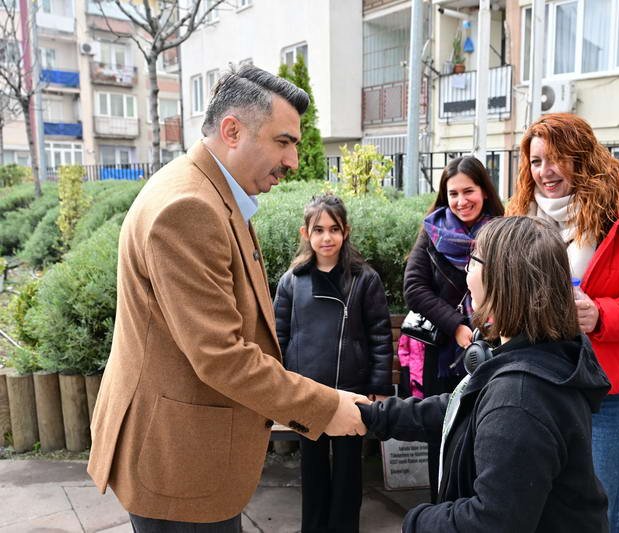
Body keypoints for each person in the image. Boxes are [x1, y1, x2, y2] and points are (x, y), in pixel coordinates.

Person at [86, 65, 366, 531]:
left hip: (184, 454)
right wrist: (327, 408)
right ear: (232, 130)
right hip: (178, 466)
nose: (294, 159)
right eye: (283, 141)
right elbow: (221, 356)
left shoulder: (208, 189)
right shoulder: (189, 207)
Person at [360, 216, 611, 532]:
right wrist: (373, 415)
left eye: (472, 262)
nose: (465, 273)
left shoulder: (519, 400)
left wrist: (417, 521)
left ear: (501, 280)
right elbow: (461, 408)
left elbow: (491, 522)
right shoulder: (540, 353)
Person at [506, 113, 619, 533]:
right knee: (540, 505)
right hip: (536, 382)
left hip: (609, 389)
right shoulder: (519, 212)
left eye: (556, 158)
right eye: (535, 161)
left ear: (581, 155)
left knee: (602, 512)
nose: (545, 172)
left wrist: (601, 314)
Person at [273, 193, 393, 533]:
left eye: (334, 229)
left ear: (346, 231)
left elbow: (380, 335)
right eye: (319, 229)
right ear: (305, 234)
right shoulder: (292, 281)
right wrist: (278, 392)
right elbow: (279, 338)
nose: (327, 237)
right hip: (306, 393)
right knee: (312, 471)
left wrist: (379, 389)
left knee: (347, 473)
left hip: (350, 392)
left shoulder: (364, 279)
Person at [402, 155, 505, 501]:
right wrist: (457, 325)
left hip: (493, 352)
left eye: (469, 191)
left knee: (485, 436)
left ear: (485, 191)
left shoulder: (502, 232)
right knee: (442, 437)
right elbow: (414, 288)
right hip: (443, 353)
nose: (461, 201)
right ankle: (441, 509)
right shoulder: (433, 232)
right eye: (453, 193)